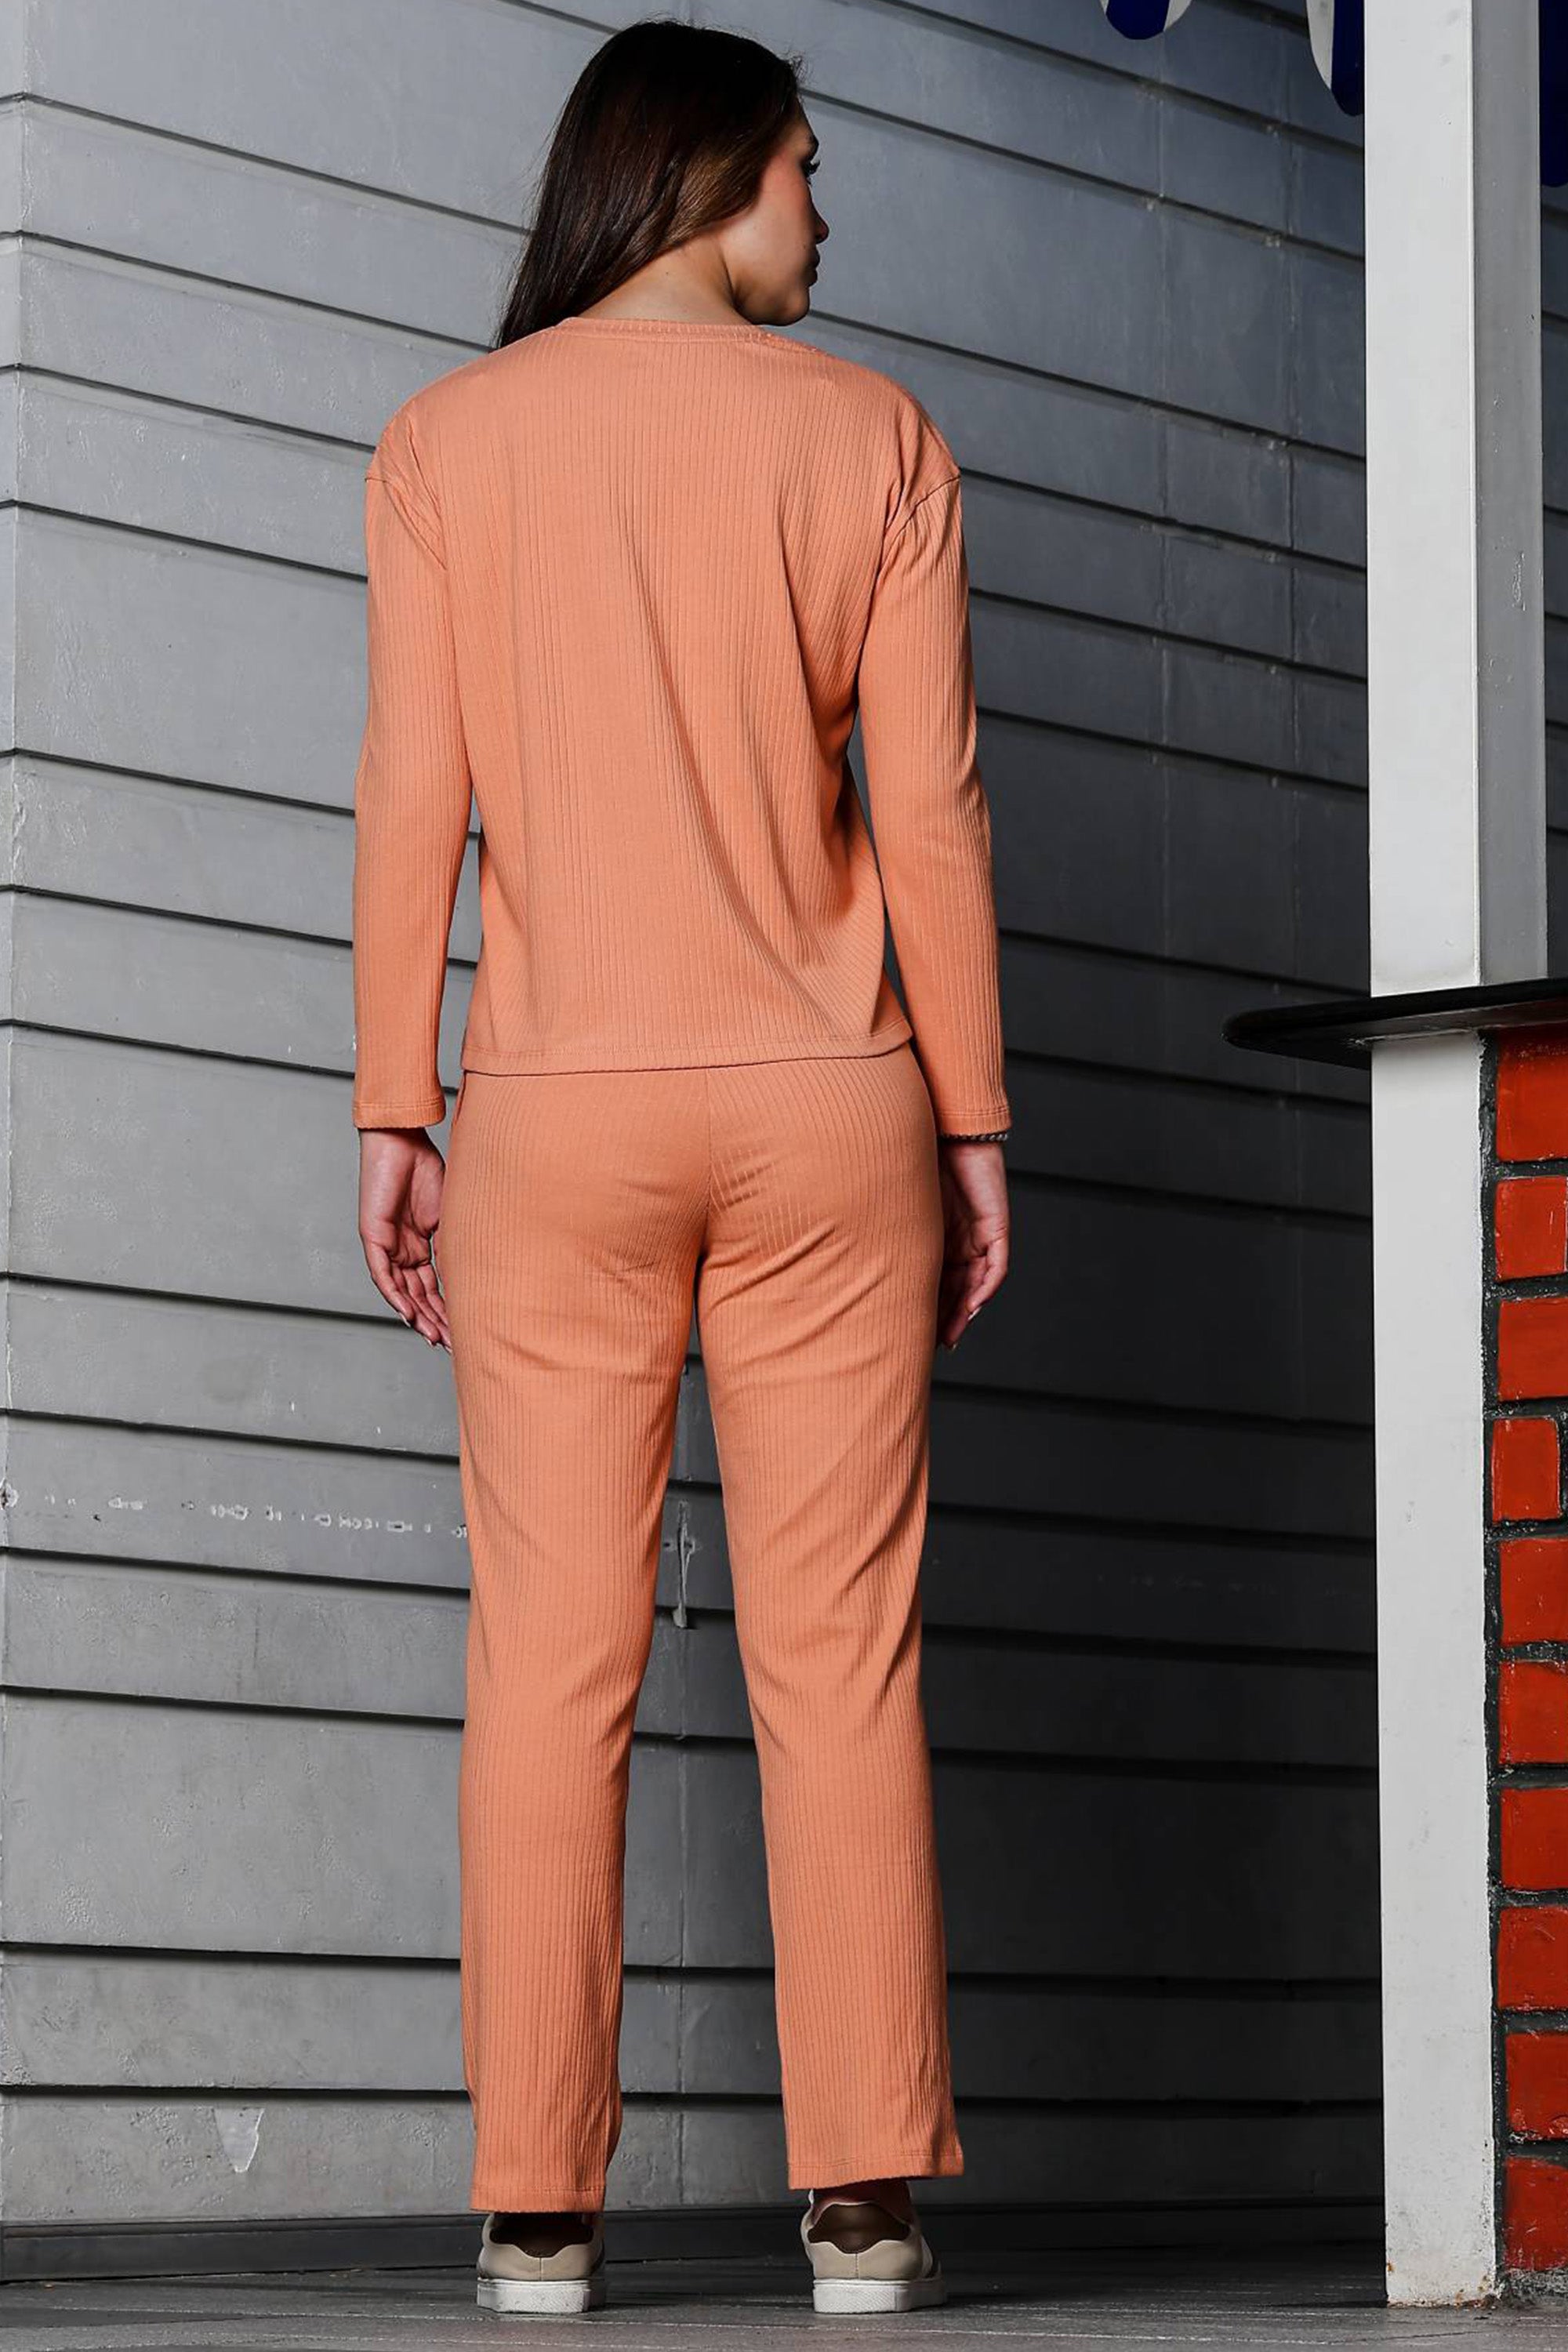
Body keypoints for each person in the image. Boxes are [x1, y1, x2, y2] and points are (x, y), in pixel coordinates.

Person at [350, 15, 1011, 2320]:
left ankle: (538, 2210)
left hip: (555, 1111)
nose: (829, 212)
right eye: (811, 167)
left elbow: (411, 798)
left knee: (552, 1658)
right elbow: (931, 814)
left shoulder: (449, 443)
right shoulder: (877, 438)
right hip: (833, 1102)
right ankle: (866, 2205)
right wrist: (977, 1124)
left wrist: (396, 1106)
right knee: (842, 1653)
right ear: (715, 171)